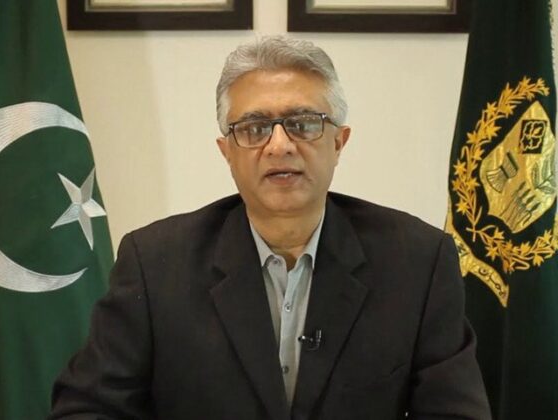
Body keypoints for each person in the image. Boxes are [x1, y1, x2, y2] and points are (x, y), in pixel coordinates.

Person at [49, 36, 491, 420]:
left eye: (303, 124)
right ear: (226, 151)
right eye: (255, 127)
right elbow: (87, 408)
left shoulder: (417, 261)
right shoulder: (155, 264)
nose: (279, 145)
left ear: (339, 142)